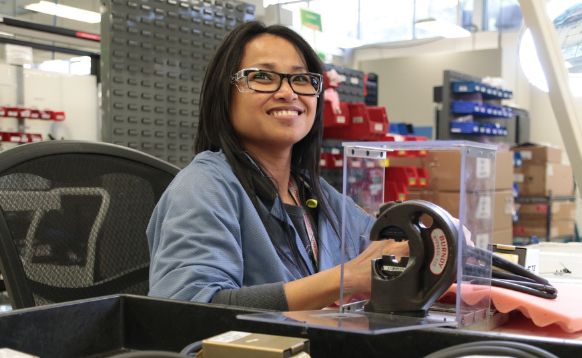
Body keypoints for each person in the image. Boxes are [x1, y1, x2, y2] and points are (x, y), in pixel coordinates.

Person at [146, 21, 408, 311]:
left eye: (301, 79)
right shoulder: (201, 188)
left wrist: (429, 231)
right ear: (223, 93)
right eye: (262, 76)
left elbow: (383, 243)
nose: (288, 93)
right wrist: (346, 279)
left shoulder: (312, 191)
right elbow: (186, 312)